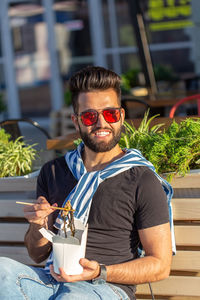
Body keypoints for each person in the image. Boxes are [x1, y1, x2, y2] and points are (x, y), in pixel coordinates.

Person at [0, 66, 173, 300]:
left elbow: (160, 265)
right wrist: (38, 225)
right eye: (90, 116)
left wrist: (101, 271)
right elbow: (37, 255)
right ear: (76, 121)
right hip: (50, 279)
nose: (101, 123)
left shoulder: (141, 179)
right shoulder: (54, 171)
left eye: (110, 114)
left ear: (121, 116)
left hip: (104, 286)